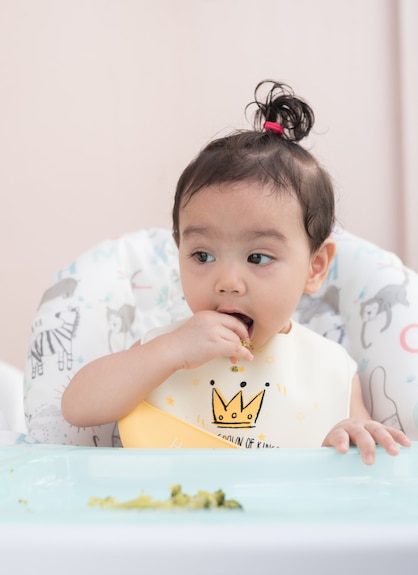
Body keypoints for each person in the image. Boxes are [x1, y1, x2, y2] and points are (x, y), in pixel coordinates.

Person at [62, 80, 410, 464]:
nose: (227, 282)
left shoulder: (330, 369)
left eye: (258, 258)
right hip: (165, 517)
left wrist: (347, 436)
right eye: (202, 256)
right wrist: (171, 351)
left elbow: (361, 462)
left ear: (315, 267)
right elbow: (77, 408)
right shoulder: (163, 350)